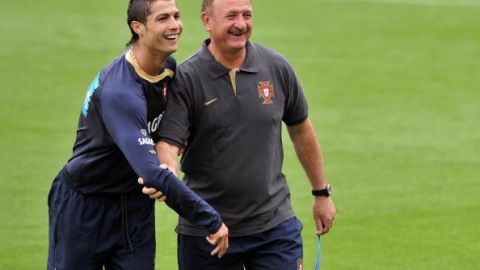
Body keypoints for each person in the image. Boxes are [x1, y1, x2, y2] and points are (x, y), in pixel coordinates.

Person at [142, 0, 337, 269]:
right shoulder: (186, 78)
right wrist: (167, 174)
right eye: (231, 16)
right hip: (207, 232)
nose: (241, 24)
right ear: (207, 21)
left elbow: (301, 128)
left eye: (247, 15)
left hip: (274, 227)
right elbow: (168, 144)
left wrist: (321, 193)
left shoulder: (276, 67)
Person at [46, 0, 229, 269]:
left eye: (176, 16)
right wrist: (210, 219)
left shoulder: (168, 67)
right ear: (138, 27)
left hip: (134, 205)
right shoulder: (120, 91)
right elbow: (153, 173)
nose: (175, 25)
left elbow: (171, 125)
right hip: (85, 205)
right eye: (163, 18)